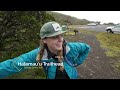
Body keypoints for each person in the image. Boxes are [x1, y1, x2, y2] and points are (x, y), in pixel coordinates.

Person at [0, 21, 91, 79]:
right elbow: (13, 65)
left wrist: (77, 62)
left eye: (61, 35)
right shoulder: (40, 53)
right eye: (55, 36)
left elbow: (87, 48)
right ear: (44, 40)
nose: (61, 39)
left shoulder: (71, 48)